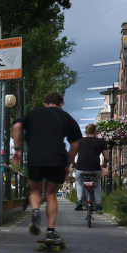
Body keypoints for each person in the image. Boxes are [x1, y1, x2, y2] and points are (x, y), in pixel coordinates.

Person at [12, 91, 82, 240]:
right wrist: (67, 165)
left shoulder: (33, 114)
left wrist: (17, 150)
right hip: (56, 159)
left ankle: (36, 210)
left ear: (44, 103)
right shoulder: (66, 117)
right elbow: (75, 145)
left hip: (35, 158)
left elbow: (17, 126)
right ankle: (50, 231)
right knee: (51, 194)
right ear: (61, 103)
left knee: (35, 191)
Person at [73, 124, 109, 213]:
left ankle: (79, 200)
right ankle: (98, 204)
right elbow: (107, 158)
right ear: (96, 131)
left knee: (80, 183)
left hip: (81, 167)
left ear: (85, 132)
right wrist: (104, 164)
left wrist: (74, 164)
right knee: (97, 183)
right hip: (95, 168)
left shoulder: (79, 142)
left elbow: (72, 155)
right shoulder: (101, 142)